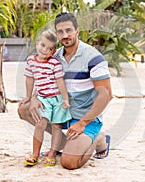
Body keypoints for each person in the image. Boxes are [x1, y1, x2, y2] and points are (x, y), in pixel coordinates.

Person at [18, 12, 113, 170]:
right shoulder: (53, 56)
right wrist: (34, 98)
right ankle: (64, 143)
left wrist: (82, 123)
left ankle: (98, 138)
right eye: (60, 32)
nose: (65, 35)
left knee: (69, 163)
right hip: (60, 112)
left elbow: (107, 95)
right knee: (24, 109)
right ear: (56, 34)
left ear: (77, 31)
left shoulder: (93, 57)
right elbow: (43, 81)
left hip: (83, 117)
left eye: (69, 30)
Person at [21, 30, 72, 166]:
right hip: (43, 98)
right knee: (40, 123)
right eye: (43, 45)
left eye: (49, 48)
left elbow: (60, 81)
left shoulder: (54, 63)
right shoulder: (31, 61)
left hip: (58, 98)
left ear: (53, 51)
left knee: (56, 126)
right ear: (37, 44)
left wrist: (66, 99)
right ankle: (35, 153)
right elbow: (29, 79)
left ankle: (52, 153)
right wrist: (28, 96)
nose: (45, 50)